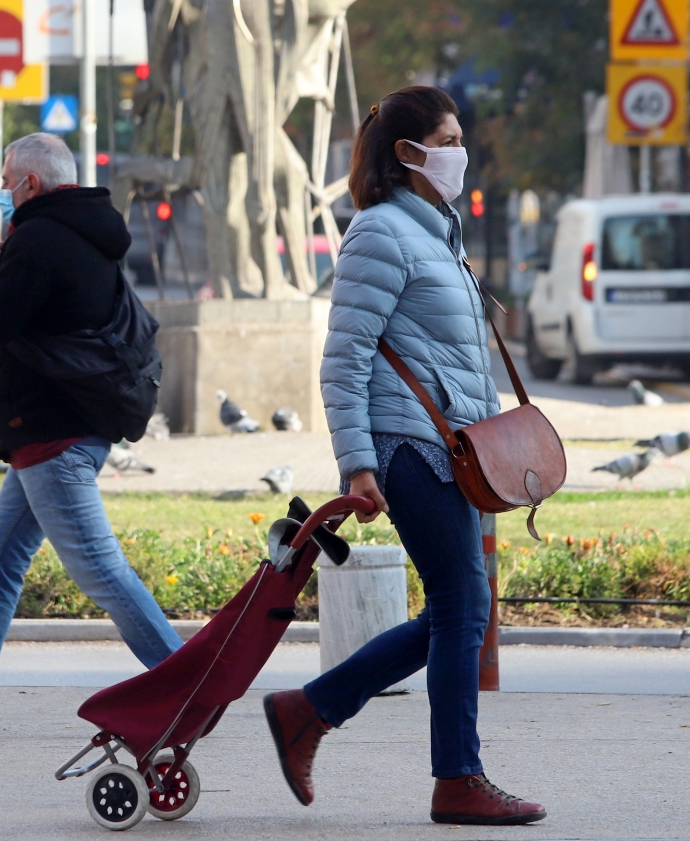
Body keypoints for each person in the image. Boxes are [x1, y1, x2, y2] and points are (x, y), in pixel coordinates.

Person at [260, 87, 547, 825]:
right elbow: (345, 357)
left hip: (448, 446)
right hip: (404, 445)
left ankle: (310, 709)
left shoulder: (434, 233)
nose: (460, 152)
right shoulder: (381, 233)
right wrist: (357, 463)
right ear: (409, 154)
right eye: (447, 139)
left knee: (459, 606)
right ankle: (456, 778)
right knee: (462, 605)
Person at [0, 133, 182, 733]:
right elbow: (42, 326)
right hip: (56, 432)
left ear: (29, 183)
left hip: (55, 436)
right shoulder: (87, 234)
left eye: (5, 180)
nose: (1, 190)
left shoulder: (39, 240)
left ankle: (187, 682)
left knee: (100, 569)